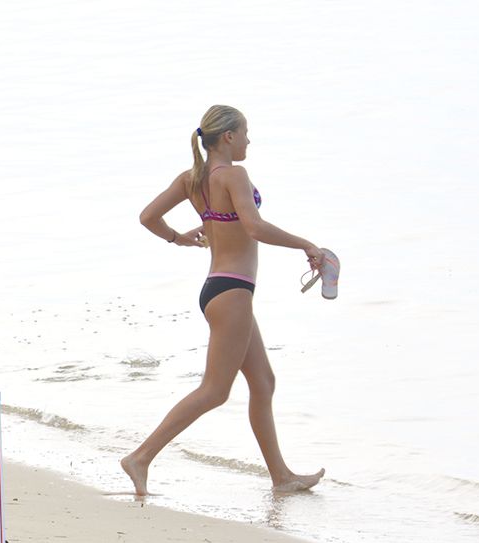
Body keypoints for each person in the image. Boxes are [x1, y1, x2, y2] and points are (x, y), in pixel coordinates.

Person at [121, 105, 330, 497]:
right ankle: (140, 457)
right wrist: (306, 244)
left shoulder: (193, 179)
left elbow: (148, 216)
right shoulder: (234, 175)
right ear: (229, 136)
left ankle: (282, 477)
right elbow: (254, 226)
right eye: (246, 132)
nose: (249, 140)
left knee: (263, 382)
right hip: (232, 290)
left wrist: (178, 238)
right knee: (215, 390)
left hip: (220, 289)